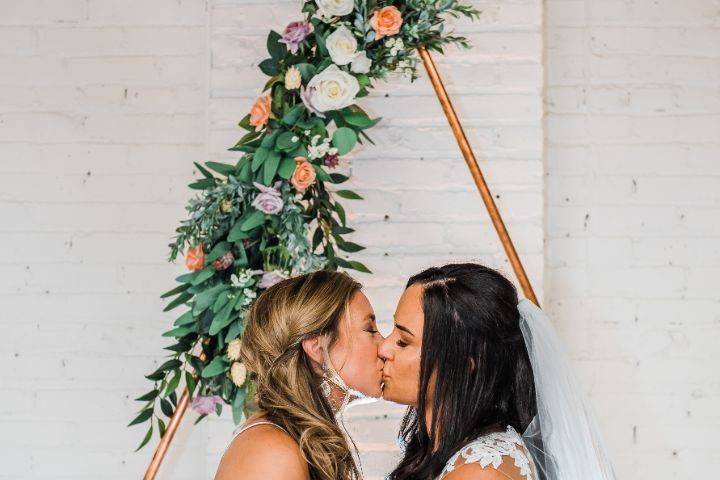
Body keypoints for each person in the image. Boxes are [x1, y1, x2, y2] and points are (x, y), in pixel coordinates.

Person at [380, 263, 616, 480]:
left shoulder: (481, 471)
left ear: (464, 365)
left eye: (403, 341)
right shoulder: (447, 453)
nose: (383, 348)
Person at [214, 270, 384, 480]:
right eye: (370, 329)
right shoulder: (272, 453)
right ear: (318, 348)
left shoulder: (296, 441)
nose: (384, 346)